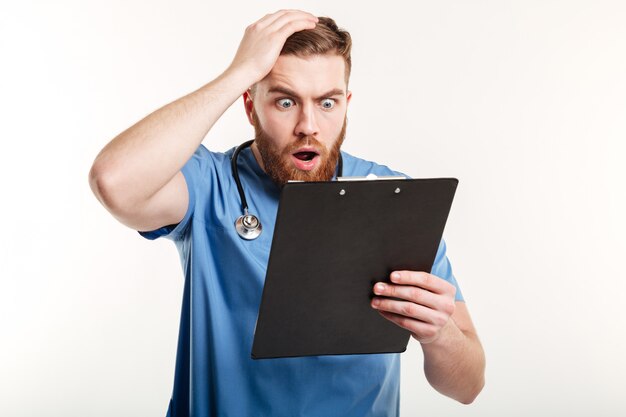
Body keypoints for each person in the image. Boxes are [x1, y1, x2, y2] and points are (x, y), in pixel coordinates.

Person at [89, 10, 485, 417]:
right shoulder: (209, 185)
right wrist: (239, 71)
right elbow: (113, 182)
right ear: (250, 106)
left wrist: (439, 333)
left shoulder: (394, 199)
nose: (308, 126)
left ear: (346, 105)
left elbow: (469, 385)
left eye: (327, 102)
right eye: (284, 101)